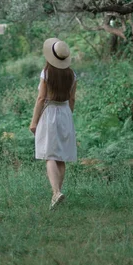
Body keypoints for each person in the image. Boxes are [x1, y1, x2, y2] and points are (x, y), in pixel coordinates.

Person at [29, 38, 77, 209]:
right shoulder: (72, 75)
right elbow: (72, 99)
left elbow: (41, 98)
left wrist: (34, 121)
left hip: (49, 112)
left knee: (50, 155)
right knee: (61, 156)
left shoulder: (46, 73)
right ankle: (56, 194)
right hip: (65, 113)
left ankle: (56, 193)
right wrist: (67, 117)